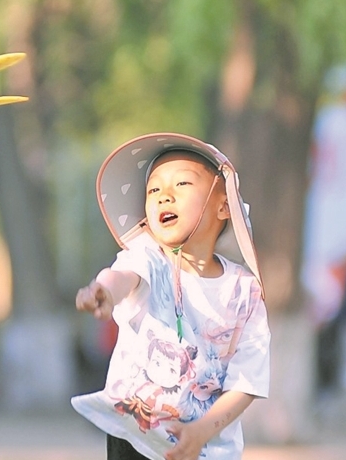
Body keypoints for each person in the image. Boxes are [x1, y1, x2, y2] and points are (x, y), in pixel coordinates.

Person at [72, 133, 271, 460]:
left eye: (182, 184)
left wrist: (202, 431)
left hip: (203, 445)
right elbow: (121, 275)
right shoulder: (149, 258)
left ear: (224, 206)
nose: (164, 195)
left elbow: (246, 382)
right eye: (153, 190)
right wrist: (103, 290)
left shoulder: (244, 291)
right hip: (137, 435)